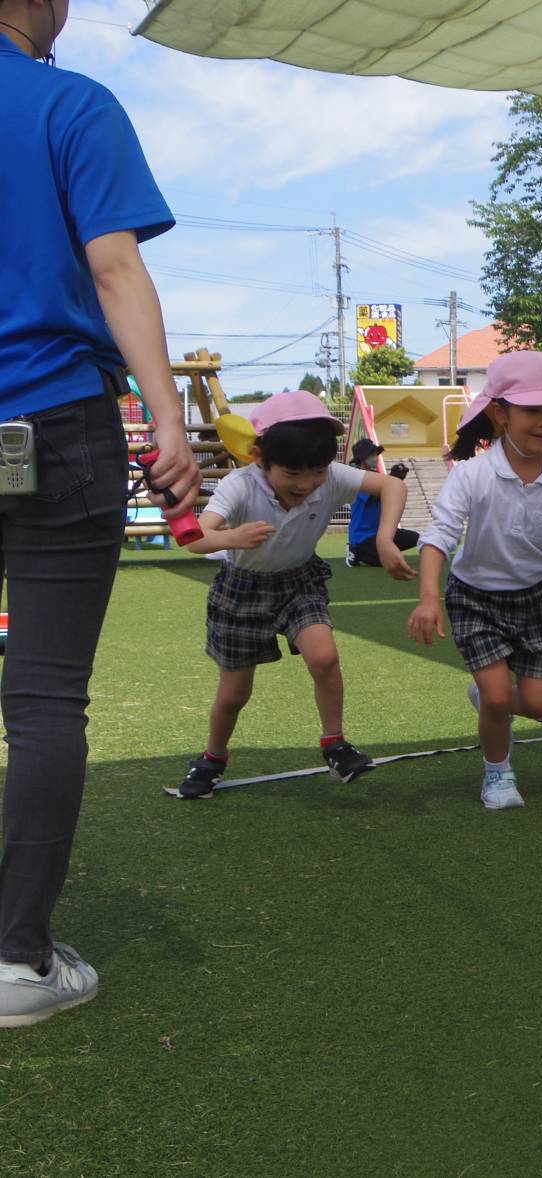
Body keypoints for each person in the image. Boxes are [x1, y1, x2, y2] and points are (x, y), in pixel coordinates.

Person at [0, 0, 202, 1026]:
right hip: (57, 416)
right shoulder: (71, 103)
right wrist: (166, 417)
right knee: (43, 700)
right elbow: (114, 266)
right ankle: (15, 961)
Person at [407, 352, 542, 810]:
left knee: (538, 706)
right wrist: (429, 598)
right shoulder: (472, 475)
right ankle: (498, 773)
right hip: (476, 599)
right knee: (497, 698)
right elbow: (439, 536)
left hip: (541, 601)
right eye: (532, 410)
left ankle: (490, 700)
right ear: (500, 412)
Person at [176, 392, 413, 799]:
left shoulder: (332, 476)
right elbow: (195, 538)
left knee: (324, 657)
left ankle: (334, 744)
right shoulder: (239, 486)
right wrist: (232, 537)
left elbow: (391, 486)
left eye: (316, 471)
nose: (305, 484)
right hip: (241, 590)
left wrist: (385, 538)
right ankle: (213, 757)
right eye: (291, 473)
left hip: (299, 582)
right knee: (234, 694)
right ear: (259, 457)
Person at [344, 437, 419, 567]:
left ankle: (378, 552)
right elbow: (374, 494)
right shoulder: (356, 478)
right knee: (388, 561)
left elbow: (386, 493)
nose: (376, 457)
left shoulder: (377, 476)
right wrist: (393, 478)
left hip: (381, 534)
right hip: (363, 536)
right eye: (372, 455)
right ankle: (355, 551)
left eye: (376, 454)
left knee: (415, 538)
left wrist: (397, 479)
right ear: (362, 459)